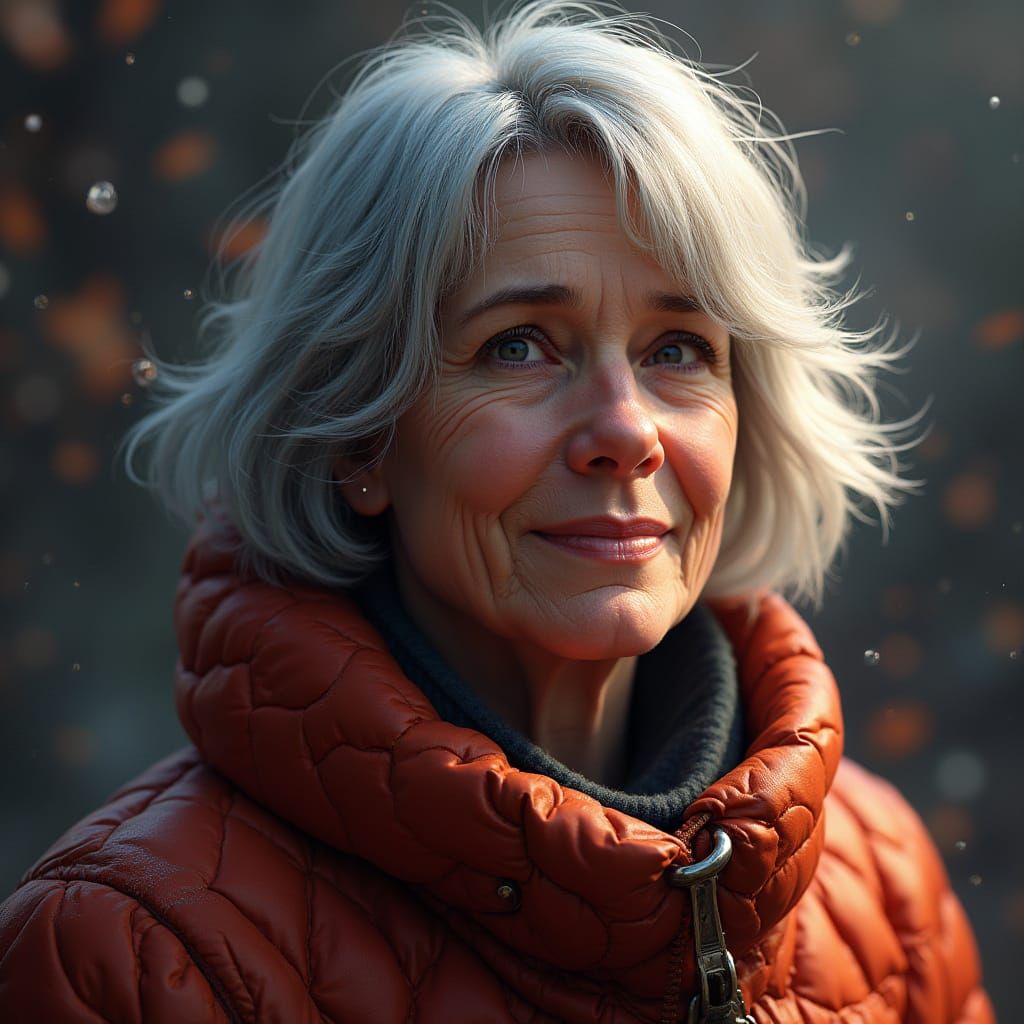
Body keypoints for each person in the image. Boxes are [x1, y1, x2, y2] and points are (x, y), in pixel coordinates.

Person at [0, 2, 994, 1021]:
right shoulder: (131, 948)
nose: (626, 429)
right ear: (357, 435)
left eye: (676, 350)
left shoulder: (880, 882)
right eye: (520, 344)